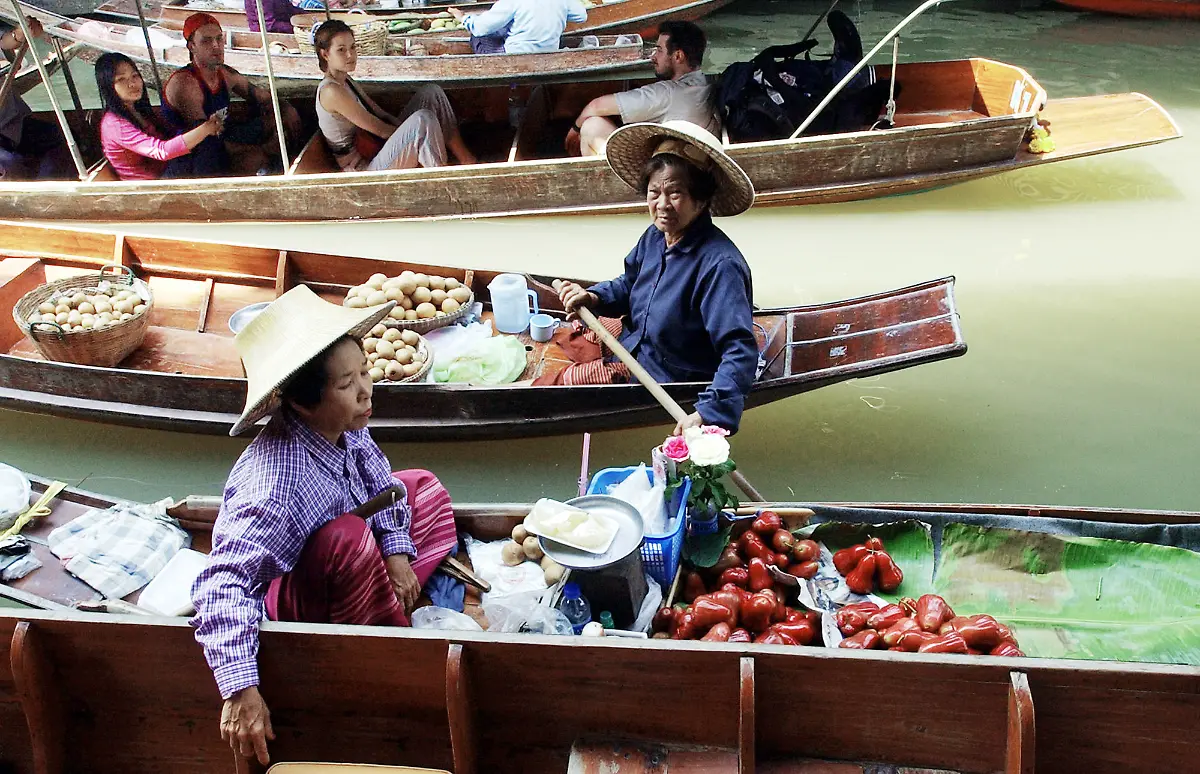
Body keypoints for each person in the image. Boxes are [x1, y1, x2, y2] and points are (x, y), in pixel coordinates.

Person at [191, 285, 458, 766]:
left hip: (349, 557)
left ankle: (389, 585)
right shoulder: (273, 488)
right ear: (302, 404)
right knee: (351, 538)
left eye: (364, 372)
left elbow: (381, 480)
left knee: (419, 485)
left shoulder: (346, 424)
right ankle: (384, 626)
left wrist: (397, 555)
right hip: (299, 594)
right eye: (346, 384)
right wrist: (240, 691)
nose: (366, 390)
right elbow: (221, 584)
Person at [549, 120, 758, 434]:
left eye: (675, 194)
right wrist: (593, 297)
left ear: (701, 200)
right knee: (564, 336)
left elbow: (739, 350)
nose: (662, 205)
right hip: (635, 340)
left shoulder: (719, 265)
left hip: (666, 373)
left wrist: (708, 411)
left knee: (555, 384)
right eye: (654, 192)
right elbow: (630, 284)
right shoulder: (655, 237)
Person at [312, 19, 474, 171]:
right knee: (423, 120)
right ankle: (446, 179)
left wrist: (406, 131)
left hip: (378, 149)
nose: (350, 55)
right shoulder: (331, 91)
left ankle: (467, 160)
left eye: (353, 48)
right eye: (341, 50)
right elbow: (380, 130)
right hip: (363, 167)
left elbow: (379, 113)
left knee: (432, 93)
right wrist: (411, 131)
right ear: (325, 54)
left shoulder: (345, 79)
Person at [163, 13, 302, 176]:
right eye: (207, 41)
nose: (216, 45)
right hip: (196, 155)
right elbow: (207, 140)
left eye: (219, 39)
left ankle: (298, 163)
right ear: (192, 46)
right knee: (255, 157)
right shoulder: (185, 84)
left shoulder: (225, 73)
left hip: (225, 134)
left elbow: (262, 97)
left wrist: (286, 109)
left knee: (281, 117)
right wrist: (264, 149)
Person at [568, 21, 719, 157]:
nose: (653, 57)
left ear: (678, 56)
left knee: (592, 126)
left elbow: (596, 106)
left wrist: (574, 132)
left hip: (668, 167)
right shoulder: (708, 82)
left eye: (659, 50)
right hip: (695, 158)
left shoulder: (667, 93)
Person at [95, 52, 225, 180]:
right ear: (108, 86)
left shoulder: (137, 111)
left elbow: (171, 134)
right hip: (152, 186)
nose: (132, 84)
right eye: (121, 79)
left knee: (202, 135)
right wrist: (206, 128)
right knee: (204, 136)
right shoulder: (115, 124)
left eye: (134, 76)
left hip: (165, 169)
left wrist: (205, 128)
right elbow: (163, 151)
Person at [0, 16, 70, 179]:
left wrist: (20, 34)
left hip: (13, 123)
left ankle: (50, 191)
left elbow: (6, 41)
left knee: (61, 137)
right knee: (10, 166)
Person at [448, 0, 587, 55]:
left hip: (516, 55)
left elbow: (480, 28)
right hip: (550, 51)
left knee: (478, 36)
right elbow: (581, 16)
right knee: (505, 28)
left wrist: (462, 17)